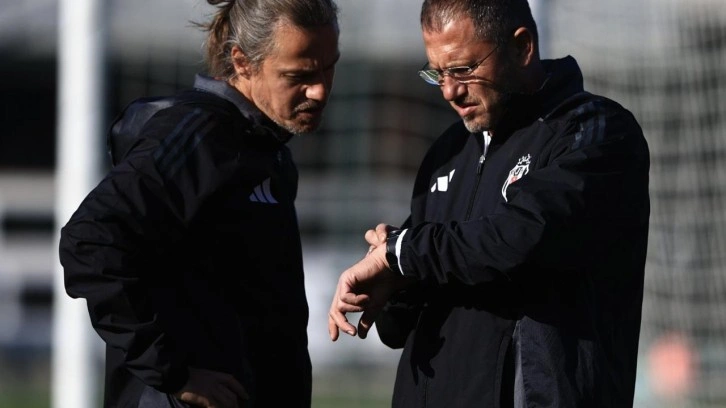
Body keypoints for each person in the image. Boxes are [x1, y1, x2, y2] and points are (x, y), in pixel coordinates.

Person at [328, 0, 649, 407]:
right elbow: (399, 327)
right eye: (437, 73)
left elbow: (521, 237)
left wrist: (403, 252)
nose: (449, 91)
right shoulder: (447, 152)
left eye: (463, 69)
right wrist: (393, 285)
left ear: (522, 47)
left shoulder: (594, 131)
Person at [59, 0, 340, 407]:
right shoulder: (198, 135)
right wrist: (172, 372)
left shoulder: (267, 149)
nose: (321, 90)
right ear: (242, 62)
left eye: (329, 67)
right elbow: (91, 240)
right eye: (299, 75)